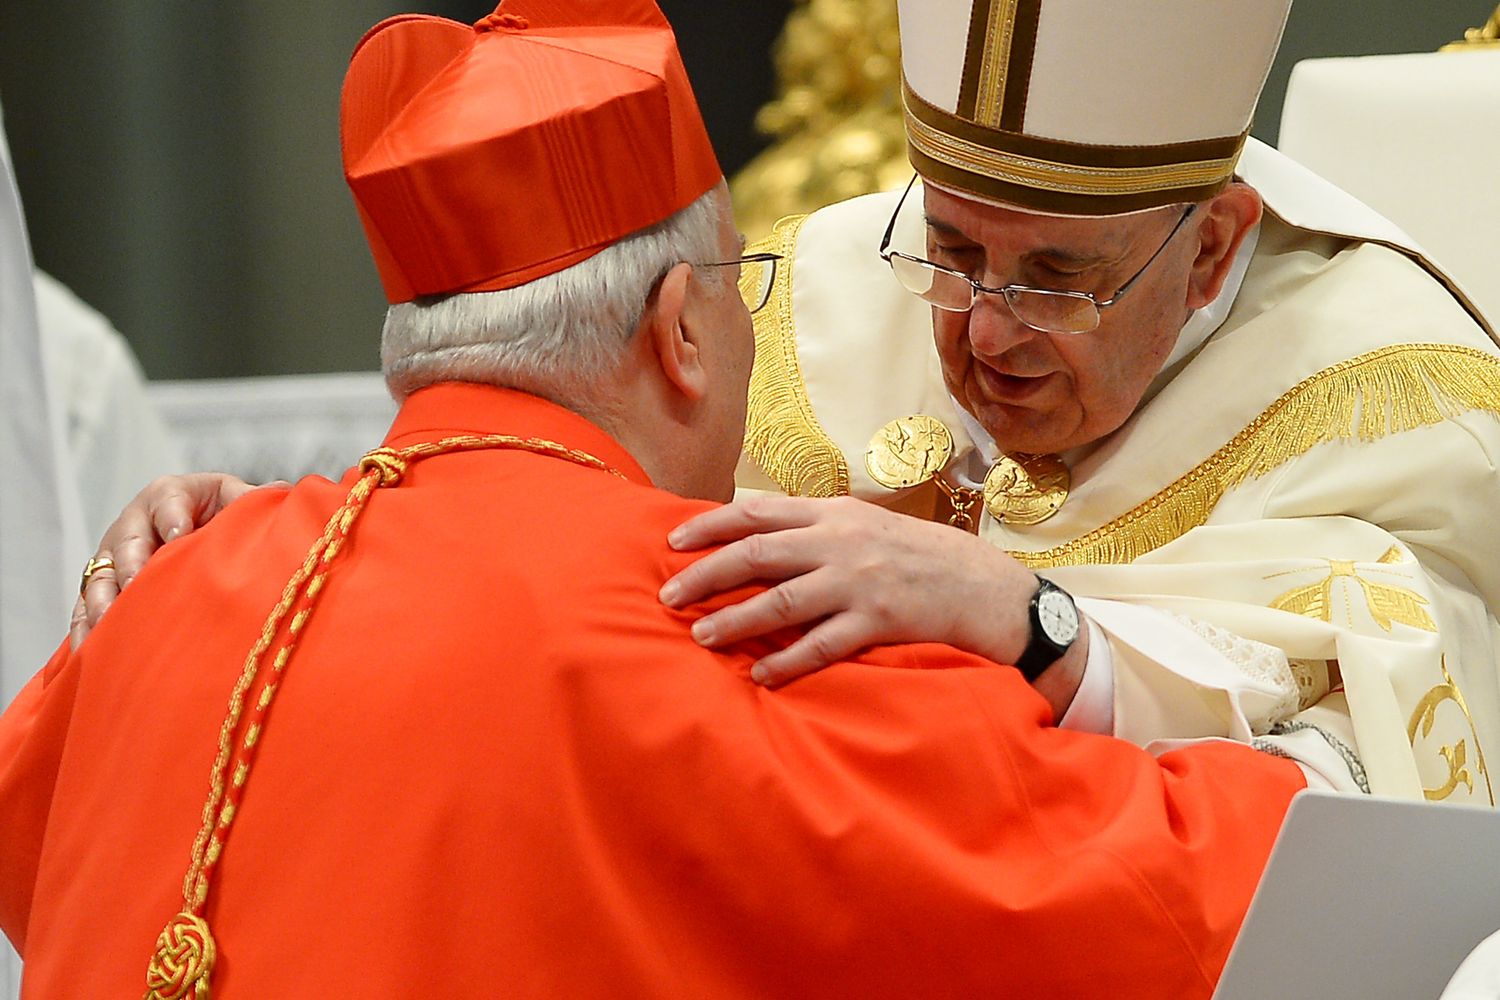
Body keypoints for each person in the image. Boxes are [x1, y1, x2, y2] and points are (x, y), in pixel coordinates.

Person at [0, 2, 1309, 997]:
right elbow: (1222, 901)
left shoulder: (171, 584)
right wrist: (1068, 636)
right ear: (683, 328)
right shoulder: (749, 619)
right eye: (745, 286)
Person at [653, 0, 1500, 805]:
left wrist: (1038, 630)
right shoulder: (816, 285)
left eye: (1057, 282)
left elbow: (1377, 767)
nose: (987, 335)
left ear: (1209, 248)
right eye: (950, 251)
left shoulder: (1396, 401)